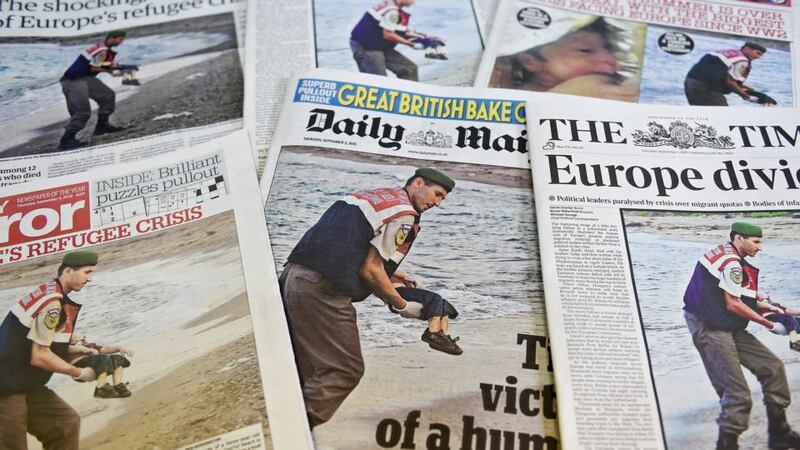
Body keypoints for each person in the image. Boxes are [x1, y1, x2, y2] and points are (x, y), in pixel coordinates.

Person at [279, 168, 454, 427]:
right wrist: (401, 305)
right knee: (344, 370)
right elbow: (370, 270)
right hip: (322, 290)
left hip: (292, 276)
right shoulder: (405, 214)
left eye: (442, 199)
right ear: (418, 183)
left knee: (303, 366)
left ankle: (278, 419)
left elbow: (346, 242)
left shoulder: (377, 195)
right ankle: (288, 433)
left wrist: (393, 275)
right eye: (437, 194)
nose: (437, 203)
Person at [682, 222, 800, 450]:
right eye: (756, 242)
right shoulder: (732, 264)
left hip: (724, 322)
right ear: (738, 239)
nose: (760, 247)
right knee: (737, 395)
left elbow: (745, 299)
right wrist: (768, 324)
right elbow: (734, 303)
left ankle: (780, 434)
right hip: (709, 326)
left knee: (773, 368)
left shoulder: (729, 255)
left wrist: (785, 311)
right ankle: (726, 444)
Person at [0, 251, 100, 450]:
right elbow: (40, 356)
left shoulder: (50, 291)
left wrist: (75, 349)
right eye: (87, 272)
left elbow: (36, 341)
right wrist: (79, 373)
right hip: (5, 387)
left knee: (65, 424)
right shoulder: (52, 303)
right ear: (69, 271)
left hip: (22, 382)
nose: (90, 279)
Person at [489, 17, 641, 102]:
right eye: (585, 51)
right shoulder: (506, 89)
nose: (609, 58)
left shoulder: (616, 87)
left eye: (608, 49)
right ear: (531, 62)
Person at [58, 30, 129, 151]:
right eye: (120, 39)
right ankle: (66, 140)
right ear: (111, 38)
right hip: (73, 81)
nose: (121, 42)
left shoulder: (102, 48)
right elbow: (95, 67)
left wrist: (118, 67)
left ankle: (102, 126)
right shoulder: (102, 50)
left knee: (107, 95)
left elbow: (98, 64)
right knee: (82, 112)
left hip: (85, 79)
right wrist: (111, 71)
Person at [390, 270, 461, 355]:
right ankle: (433, 334)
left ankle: (443, 338)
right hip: (397, 291)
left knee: (443, 304)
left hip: (404, 289)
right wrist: (404, 275)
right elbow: (386, 268)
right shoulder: (381, 264)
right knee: (435, 299)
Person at [350, 0, 422, 81]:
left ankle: (409, 91)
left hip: (377, 45)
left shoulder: (388, 4)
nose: (413, 2)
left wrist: (416, 35)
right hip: (366, 47)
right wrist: (408, 43)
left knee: (410, 69)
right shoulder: (392, 12)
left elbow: (388, 26)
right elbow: (387, 34)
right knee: (378, 81)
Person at [684, 42, 770, 106]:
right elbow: (731, 82)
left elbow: (721, 75)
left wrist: (746, 89)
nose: (759, 57)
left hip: (690, 83)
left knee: (700, 114)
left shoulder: (725, 52)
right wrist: (747, 97)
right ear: (747, 48)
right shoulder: (743, 60)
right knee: (723, 115)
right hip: (708, 89)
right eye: (758, 53)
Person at [68, 332, 133, 398]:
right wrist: (84, 349)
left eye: (83, 339)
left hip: (97, 367)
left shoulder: (90, 345)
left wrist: (119, 348)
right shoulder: (69, 348)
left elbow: (104, 349)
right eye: (79, 340)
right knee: (103, 357)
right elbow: (67, 349)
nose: (83, 340)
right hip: (81, 369)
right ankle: (101, 388)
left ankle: (118, 386)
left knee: (117, 358)